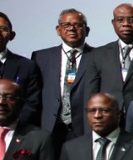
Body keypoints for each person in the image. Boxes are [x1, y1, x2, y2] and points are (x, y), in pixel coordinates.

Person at [78, 3, 133, 111]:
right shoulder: (98, 54)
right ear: (113, 23)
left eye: (131, 20)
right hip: (108, 120)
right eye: (120, 20)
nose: (125, 24)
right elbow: (90, 96)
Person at [30, 8, 94, 143]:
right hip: (49, 128)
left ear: (86, 31)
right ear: (58, 30)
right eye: (66, 25)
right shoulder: (40, 57)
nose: (72, 29)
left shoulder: (98, 56)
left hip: (84, 128)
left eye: (77, 25)